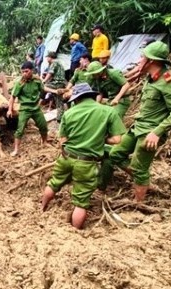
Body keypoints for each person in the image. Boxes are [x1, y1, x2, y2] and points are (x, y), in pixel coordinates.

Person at [99, 41, 171, 202]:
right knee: (115, 154)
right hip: (137, 127)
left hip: (150, 133)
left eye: (142, 57)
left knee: (140, 168)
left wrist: (157, 133)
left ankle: (137, 203)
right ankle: (141, 178)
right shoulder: (150, 77)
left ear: (151, 61)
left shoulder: (170, 81)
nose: (140, 60)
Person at [41, 83, 125, 229]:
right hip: (87, 163)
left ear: (77, 99)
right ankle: (75, 233)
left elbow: (62, 141)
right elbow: (118, 140)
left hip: (66, 158)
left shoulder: (69, 113)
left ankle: (42, 209)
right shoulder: (108, 111)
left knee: (54, 183)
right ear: (92, 96)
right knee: (81, 201)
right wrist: (100, 138)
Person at [7, 61, 49, 157]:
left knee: (43, 126)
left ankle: (44, 142)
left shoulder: (37, 80)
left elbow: (43, 89)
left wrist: (44, 98)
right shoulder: (20, 83)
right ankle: (16, 149)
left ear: (32, 70)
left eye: (26, 71)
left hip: (36, 108)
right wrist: (10, 109)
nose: (24, 74)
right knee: (20, 129)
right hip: (25, 108)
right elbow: (12, 97)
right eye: (22, 72)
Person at [42, 51, 67, 122]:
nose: (47, 59)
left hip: (56, 83)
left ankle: (54, 92)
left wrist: (44, 81)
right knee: (59, 101)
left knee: (42, 87)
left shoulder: (54, 63)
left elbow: (50, 73)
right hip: (61, 83)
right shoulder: (59, 63)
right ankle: (60, 118)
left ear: (50, 57)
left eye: (47, 57)